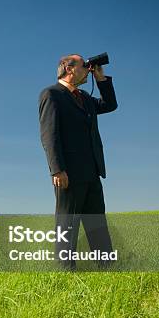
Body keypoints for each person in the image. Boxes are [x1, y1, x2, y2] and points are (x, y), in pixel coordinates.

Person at [38, 54, 118, 270]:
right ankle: (65, 271)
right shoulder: (52, 94)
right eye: (85, 66)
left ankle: (107, 267)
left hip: (92, 170)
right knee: (67, 224)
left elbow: (110, 105)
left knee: (97, 223)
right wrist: (57, 170)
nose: (88, 69)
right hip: (69, 173)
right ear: (69, 68)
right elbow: (49, 135)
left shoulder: (84, 97)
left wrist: (101, 80)